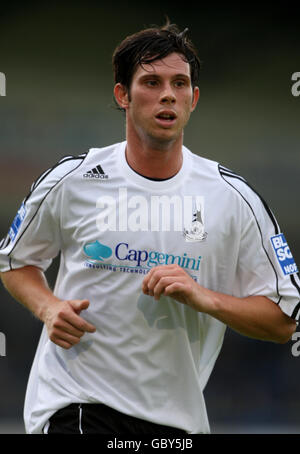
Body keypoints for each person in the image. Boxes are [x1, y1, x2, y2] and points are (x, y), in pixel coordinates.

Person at [0, 20, 299, 435]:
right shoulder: (73, 179)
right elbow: (15, 260)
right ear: (122, 94)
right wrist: (48, 308)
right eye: (152, 82)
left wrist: (205, 298)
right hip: (76, 404)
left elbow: (284, 318)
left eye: (179, 84)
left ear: (193, 99)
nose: (167, 95)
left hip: (177, 424)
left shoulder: (235, 199)